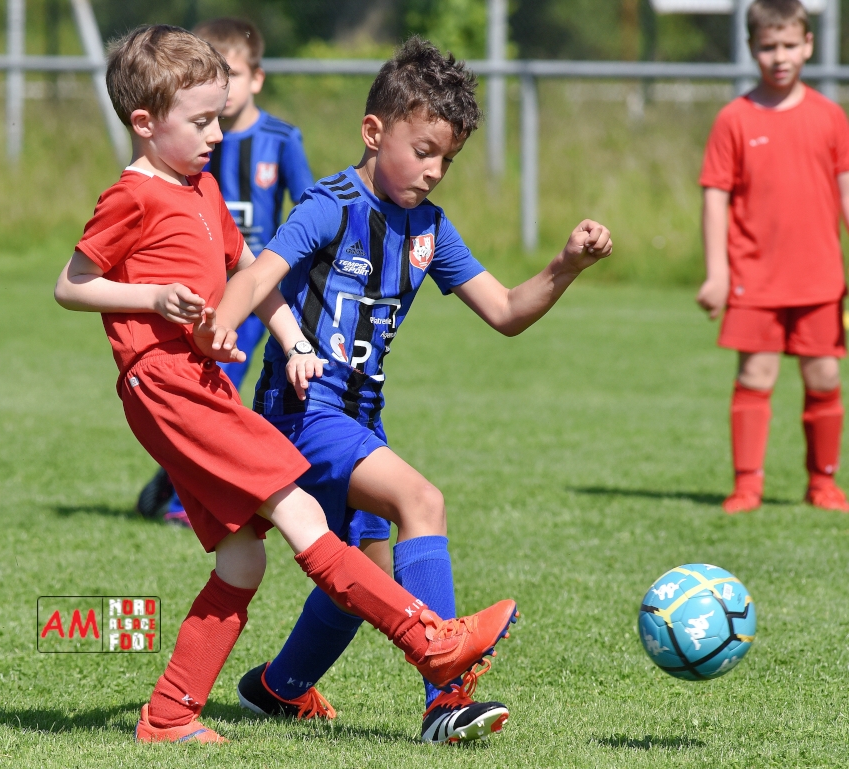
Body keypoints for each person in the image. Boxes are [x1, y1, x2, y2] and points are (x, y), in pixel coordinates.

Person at [53, 25, 519, 744]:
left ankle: (171, 716)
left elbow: (254, 273)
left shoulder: (204, 188)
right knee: (301, 512)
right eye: (201, 121)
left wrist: (294, 341)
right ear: (145, 123)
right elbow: (72, 284)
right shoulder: (132, 196)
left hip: (200, 382)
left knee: (244, 558)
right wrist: (152, 298)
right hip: (166, 384)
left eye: (219, 117)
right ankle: (431, 642)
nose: (217, 134)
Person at [203, 37, 613, 744]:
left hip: (361, 418)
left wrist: (565, 265)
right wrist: (220, 330)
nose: (433, 171)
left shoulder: (429, 227)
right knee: (422, 501)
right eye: (423, 151)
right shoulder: (330, 204)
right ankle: (445, 699)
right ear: (374, 131)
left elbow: (506, 311)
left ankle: (276, 689)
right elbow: (258, 271)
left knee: (364, 582)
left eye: (446, 160)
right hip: (302, 411)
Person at [136, 17, 315, 528]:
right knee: (204, 389)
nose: (226, 88)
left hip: (259, 289)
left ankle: (184, 492)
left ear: (256, 77)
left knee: (228, 386)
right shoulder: (187, 141)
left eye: (232, 74)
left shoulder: (280, 139)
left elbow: (308, 210)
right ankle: (181, 489)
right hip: (202, 291)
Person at [696, 0, 849, 514]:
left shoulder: (831, 117)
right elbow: (714, 199)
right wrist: (718, 273)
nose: (779, 56)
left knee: (824, 378)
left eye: (788, 45)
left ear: (808, 45)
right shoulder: (734, 119)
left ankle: (823, 483)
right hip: (754, 279)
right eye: (768, 47)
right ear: (751, 48)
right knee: (756, 377)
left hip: (820, 278)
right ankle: (747, 487)